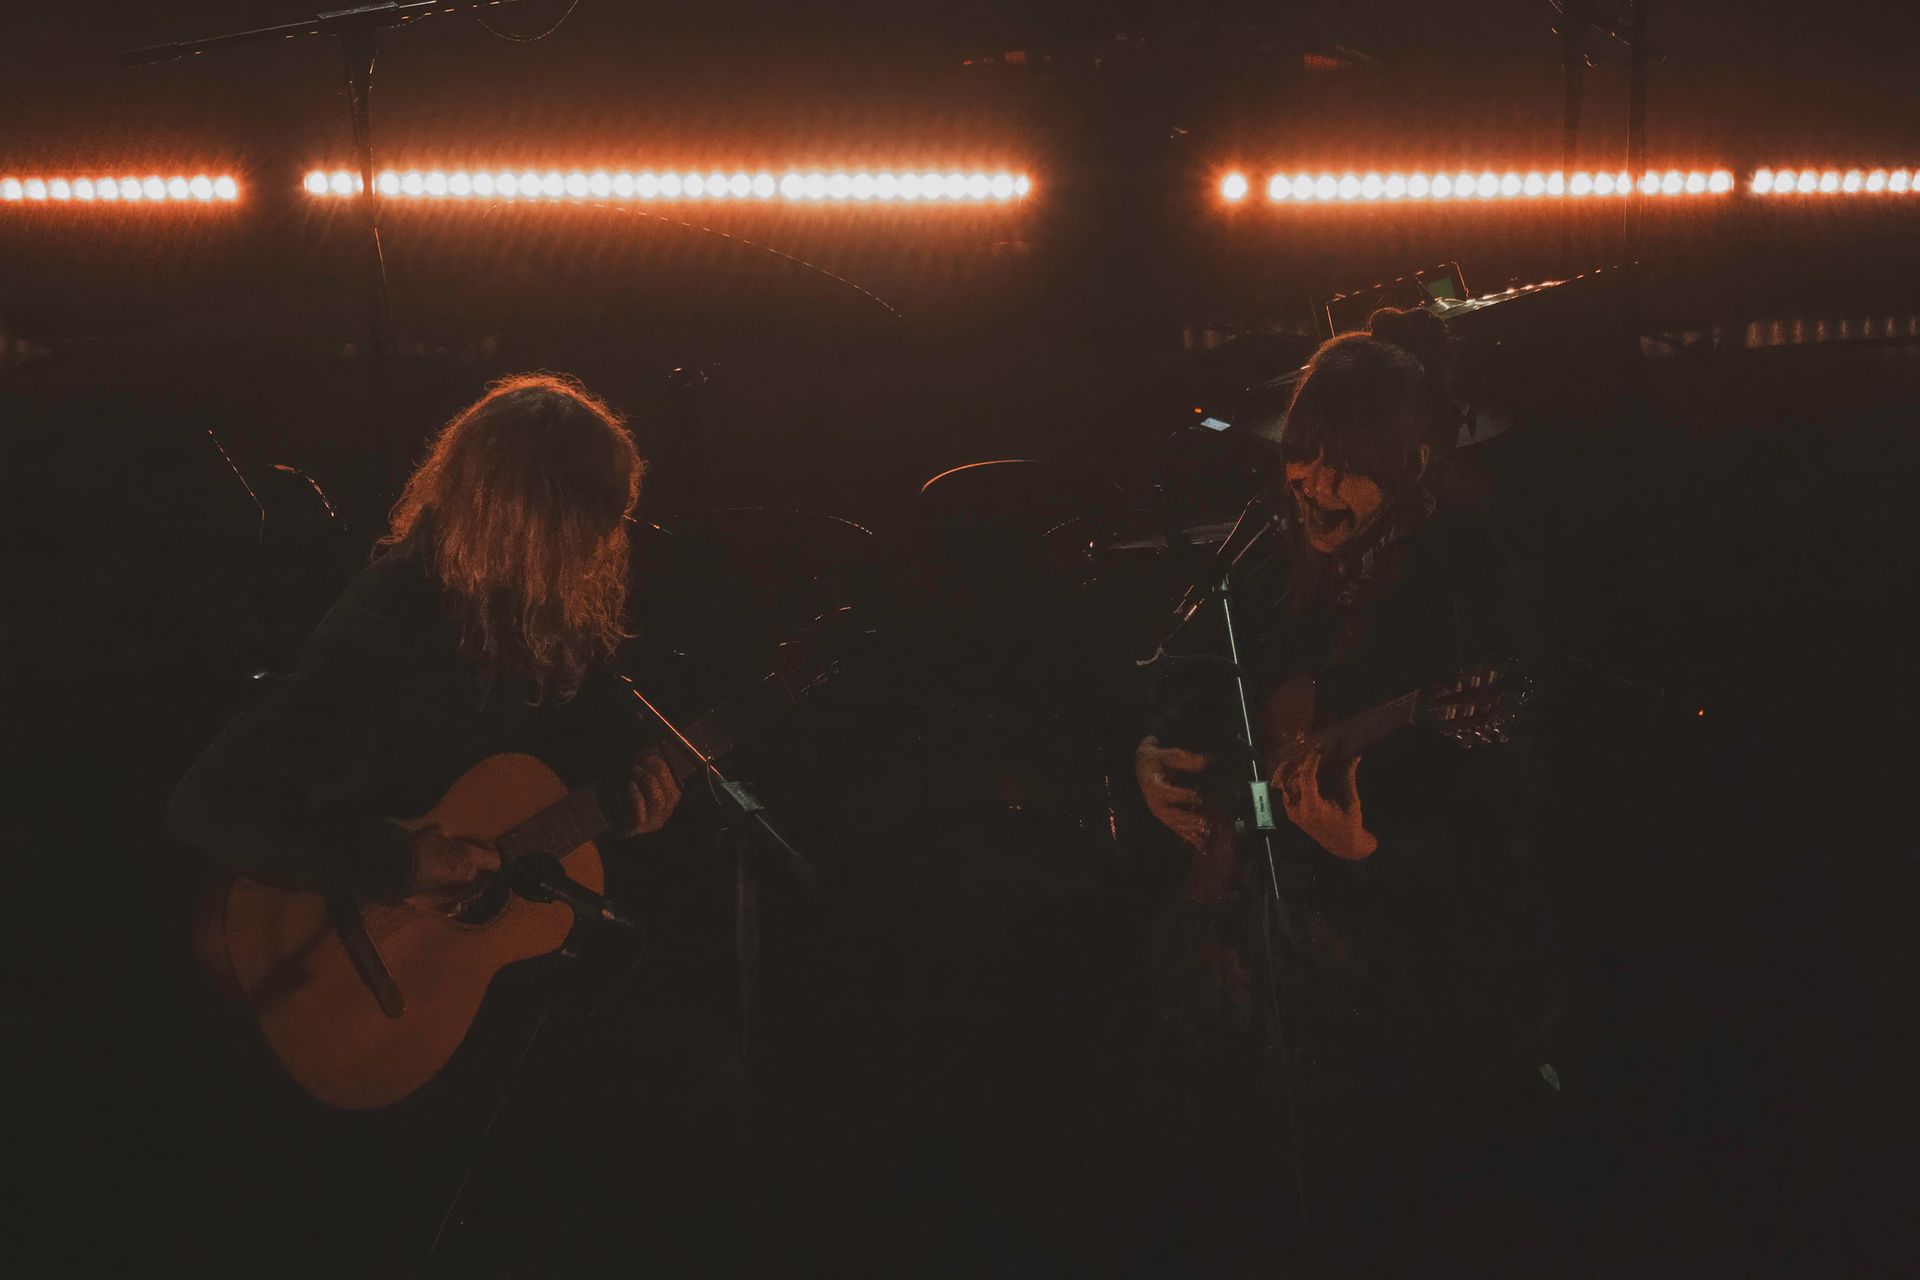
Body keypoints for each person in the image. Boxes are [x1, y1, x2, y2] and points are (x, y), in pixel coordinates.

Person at [167, 372, 685, 1270]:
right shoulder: (391, 618)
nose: (609, 545)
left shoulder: (530, 627)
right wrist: (396, 864)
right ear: (527, 515)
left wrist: (636, 797)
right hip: (339, 983)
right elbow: (209, 803)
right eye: (591, 523)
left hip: (451, 1014)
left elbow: (558, 787)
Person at [1131, 309, 1566, 1275]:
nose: (1315, 484)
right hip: (1262, 974)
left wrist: (1369, 851)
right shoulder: (1270, 565)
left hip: (1398, 1001)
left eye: (1347, 463)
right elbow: (1189, 671)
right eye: (1304, 455)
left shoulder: (1469, 593)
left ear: (1412, 463)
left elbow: (1507, 846)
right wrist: (1151, 752)